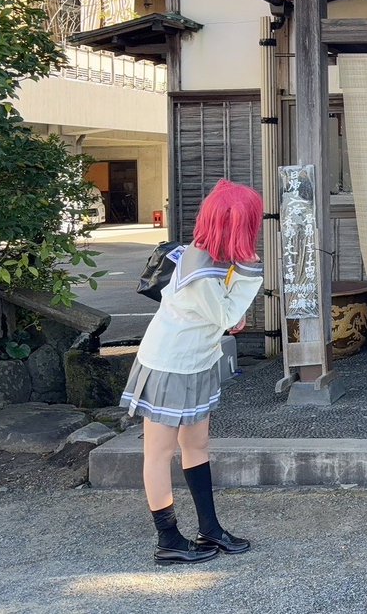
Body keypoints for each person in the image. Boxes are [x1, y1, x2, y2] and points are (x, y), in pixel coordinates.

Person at [120, 180, 264, 566]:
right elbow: (230, 314)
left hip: (196, 362)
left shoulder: (211, 255)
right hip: (168, 366)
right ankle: (168, 539)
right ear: (238, 225)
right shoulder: (200, 267)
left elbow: (224, 314)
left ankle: (210, 529)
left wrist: (231, 307)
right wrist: (250, 271)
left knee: (197, 446)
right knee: (158, 453)